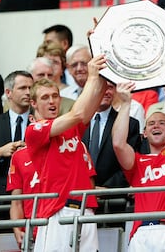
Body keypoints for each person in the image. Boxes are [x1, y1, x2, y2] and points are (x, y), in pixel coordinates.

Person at [112, 41, 165, 251]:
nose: (156, 126)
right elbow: (118, 143)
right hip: (141, 233)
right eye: (151, 123)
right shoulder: (137, 162)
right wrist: (125, 104)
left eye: (162, 123)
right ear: (144, 133)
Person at [26, 55, 107, 251]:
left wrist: (103, 64)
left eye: (55, 96)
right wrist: (91, 77)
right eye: (45, 98)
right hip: (57, 210)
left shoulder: (71, 127)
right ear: (34, 103)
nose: (52, 101)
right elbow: (78, 113)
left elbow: (94, 101)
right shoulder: (34, 130)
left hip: (85, 208)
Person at [7, 106, 41, 249]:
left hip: (59, 225)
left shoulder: (65, 149)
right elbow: (16, 202)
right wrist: (17, 228)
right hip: (32, 229)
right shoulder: (19, 156)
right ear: (32, 120)